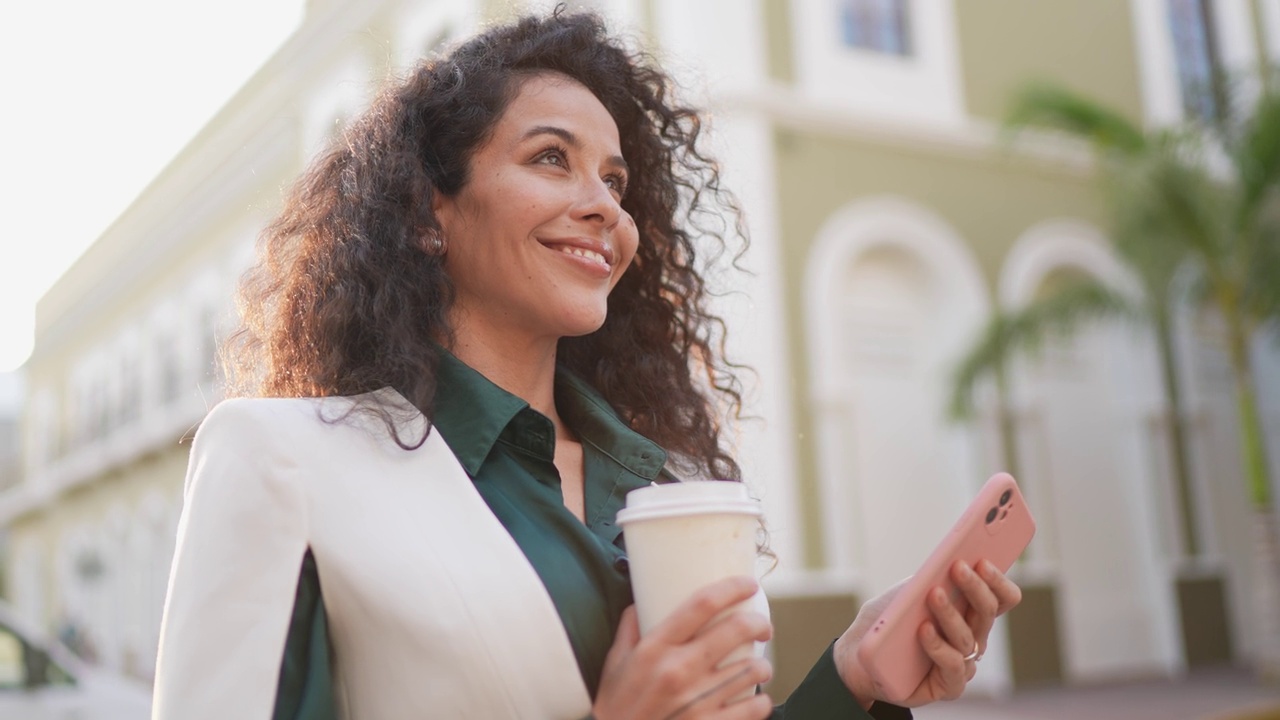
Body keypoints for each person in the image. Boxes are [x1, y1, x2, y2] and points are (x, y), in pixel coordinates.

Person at [151, 9, 1022, 720]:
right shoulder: (285, 460)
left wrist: (856, 676)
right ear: (427, 213)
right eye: (550, 159)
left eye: (616, 180)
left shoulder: (663, 483)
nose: (603, 206)